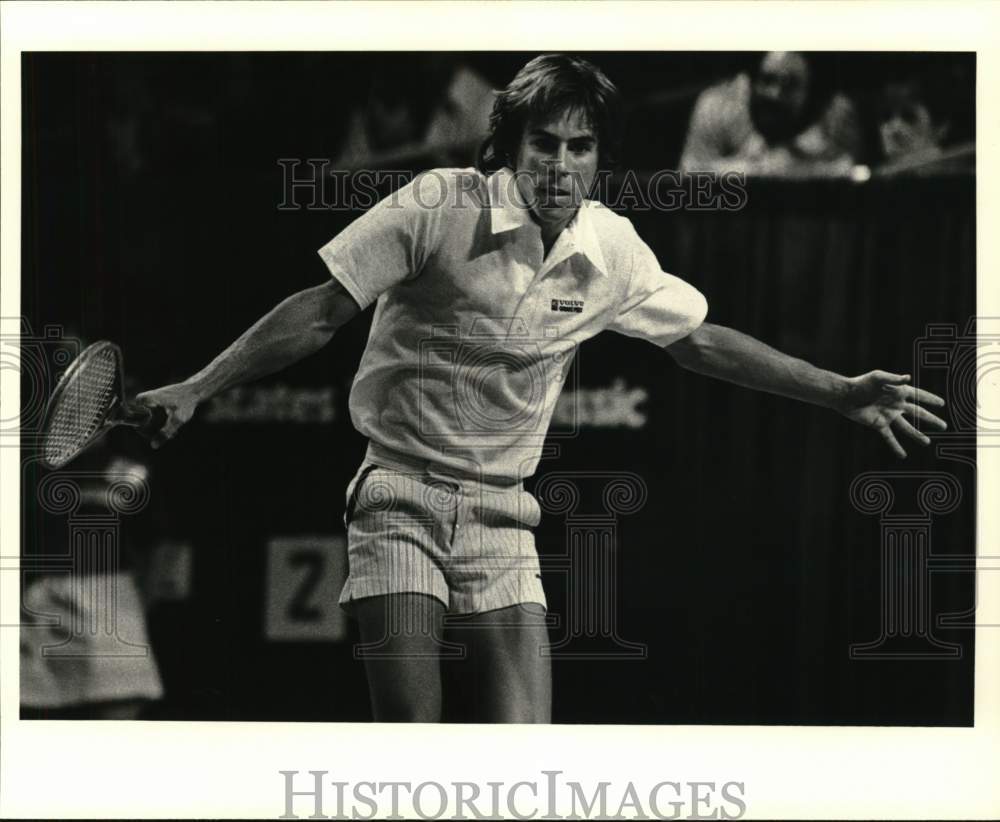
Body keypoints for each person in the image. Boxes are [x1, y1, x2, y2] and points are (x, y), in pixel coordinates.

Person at [137, 54, 947, 723]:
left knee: (525, 754)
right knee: (410, 740)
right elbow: (319, 312)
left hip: (502, 515)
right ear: (508, 147)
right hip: (398, 498)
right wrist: (199, 386)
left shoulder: (612, 248)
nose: (561, 166)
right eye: (545, 144)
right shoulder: (435, 206)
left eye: (580, 147)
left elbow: (700, 341)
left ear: (599, 156)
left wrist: (839, 391)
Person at [680, 51, 861, 177]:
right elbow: (688, 180)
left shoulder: (835, 113)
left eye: (790, 85)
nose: (775, 94)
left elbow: (849, 175)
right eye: (767, 80)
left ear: (812, 90)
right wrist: (760, 169)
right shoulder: (716, 105)